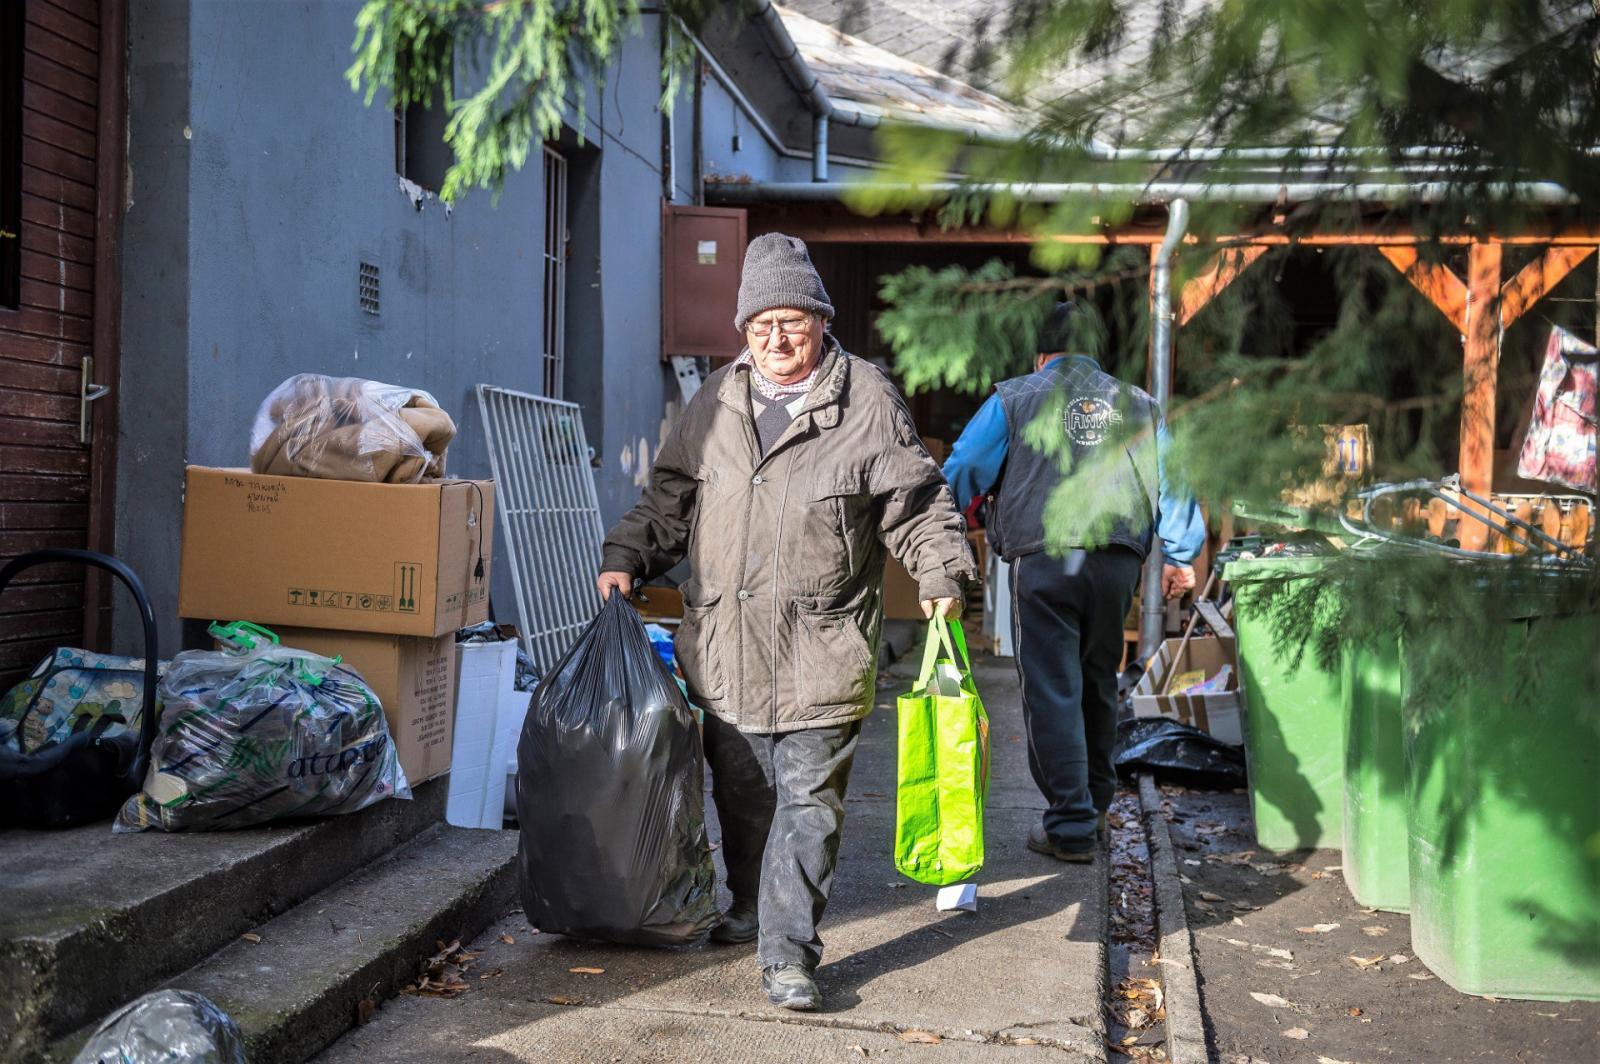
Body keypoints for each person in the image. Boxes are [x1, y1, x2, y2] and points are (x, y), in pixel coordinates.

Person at [598, 233, 975, 1011]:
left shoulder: (866, 396)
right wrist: (628, 555)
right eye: (761, 323)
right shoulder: (718, 398)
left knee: (809, 805)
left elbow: (918, 500)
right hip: (728, 648)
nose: (776, 339)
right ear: (743, 329)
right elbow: (670, 498)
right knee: (742, 795)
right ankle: (747, 906)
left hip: (821, 643)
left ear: (821, 321)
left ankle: (789, 953)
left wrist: (941, 571)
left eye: (793, 322)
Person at [942, 302, 1206, 862]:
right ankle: (1096, 808)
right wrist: (1181, 554)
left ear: (1042, 354)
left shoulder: (1015, 397)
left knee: (1051, 689)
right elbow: (1176, 487)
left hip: (1043, 561)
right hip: (1116, 564)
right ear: (1096, 354)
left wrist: (950, 523)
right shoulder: (1138, 404)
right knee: (1096, 681)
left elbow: (963, 467)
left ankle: (1069, 827)